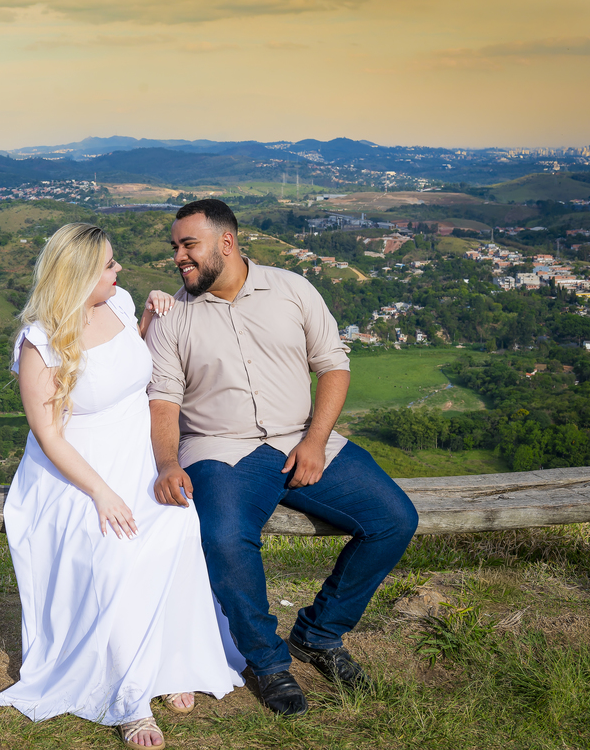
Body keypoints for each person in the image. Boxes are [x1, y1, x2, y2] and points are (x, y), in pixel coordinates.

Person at [146, 199, 419, 717]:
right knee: (225, 538)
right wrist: (166, 463)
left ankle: (320, 633)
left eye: (188, 245)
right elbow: (163, 401)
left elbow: (333, 367)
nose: (179, 257)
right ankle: (269, 664)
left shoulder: (292, 289)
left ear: (226, 242)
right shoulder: (173, 316)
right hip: (219, 448)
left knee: (394, 518)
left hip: (303, 437)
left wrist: (315, 442)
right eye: (175, 248)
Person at [0, 222, 245, 748]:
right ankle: (128, 698)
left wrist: (148, 317)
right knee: (119, 555)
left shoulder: (123, 304)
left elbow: (119, 368)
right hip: (75, 472)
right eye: (109, 264)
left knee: (178, 529)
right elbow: (50, 435)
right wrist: (102, 492)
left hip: (136, 456)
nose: (120, 270)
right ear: (81, 275)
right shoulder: (40, 342)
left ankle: (174, 662)